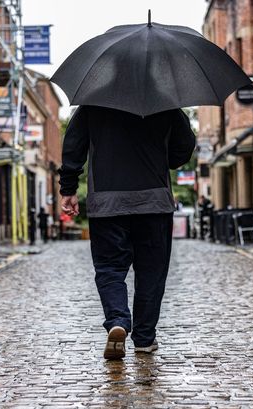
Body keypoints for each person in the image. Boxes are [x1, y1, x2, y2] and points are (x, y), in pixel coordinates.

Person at [59, 106, 195, 360]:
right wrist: (161, 155)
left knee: (110, 268)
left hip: (107, 204)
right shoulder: (165, 101)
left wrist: (68, 188)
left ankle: (118, 320)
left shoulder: (92, 101)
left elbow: (73, 144)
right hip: (154, 202)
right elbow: (184, 145)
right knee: (151, 272)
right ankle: (144, 338)